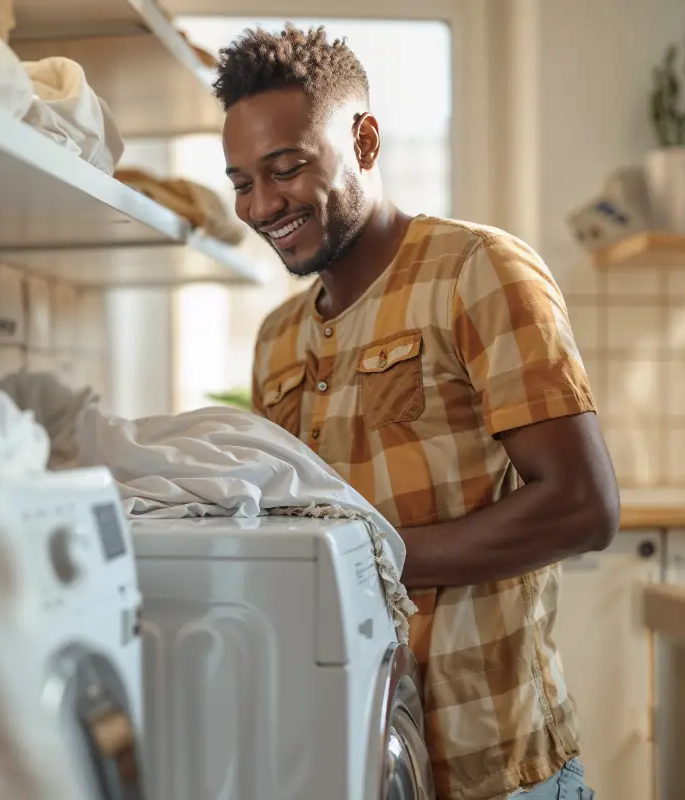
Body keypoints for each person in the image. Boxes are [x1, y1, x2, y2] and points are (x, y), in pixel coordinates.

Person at [214, 24, 619, 800]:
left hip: (497, 766)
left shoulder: (480, 271)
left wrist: (366, 560)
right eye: (241, 182)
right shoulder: (276, 340)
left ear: (364, 140)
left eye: (287, 168)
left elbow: (583, 507)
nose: (263, 204)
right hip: (353, 764)